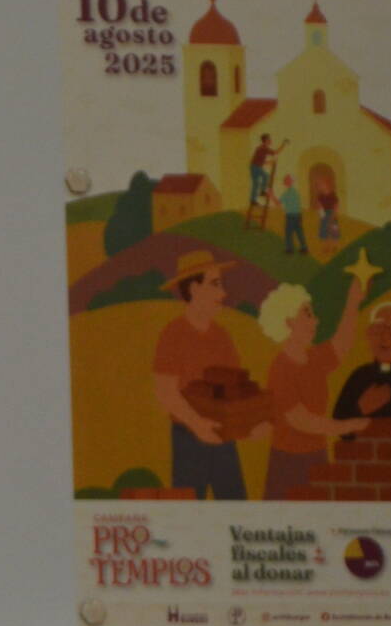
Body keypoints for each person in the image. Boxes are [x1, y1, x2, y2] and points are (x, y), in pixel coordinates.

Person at [151, 251, 261, 499]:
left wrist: (251, 424)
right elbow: (166, 393)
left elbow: (236, 390)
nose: (223, 293)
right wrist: (198, 424)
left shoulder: (222, 335)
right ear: (194, 288)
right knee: (188, 511)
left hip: (225, 436)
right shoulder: (173, 334)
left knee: (235, 509)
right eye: (215, 284)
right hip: (188, 439)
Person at [259, 278, 369, 500]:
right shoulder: (281, 368)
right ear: (289, 322)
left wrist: (353, 302)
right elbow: (300, 419)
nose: (316, 321)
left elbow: (342, 345)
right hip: (288, 464)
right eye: (307, 314)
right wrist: (347, 426)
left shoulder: (314, 358)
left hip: (317, 457)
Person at [332, 302, 391, 422]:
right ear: (368, 333)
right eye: (378, 328)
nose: (385, 336)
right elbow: (337, 423)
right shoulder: (358, 377)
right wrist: (360, 409)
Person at [279, 176, 306, 254]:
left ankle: (289, 249)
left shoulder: (286, 193)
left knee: (288, 233)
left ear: (288, 182)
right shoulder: (296, 192)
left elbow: (278, 203)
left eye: (286, 180)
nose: (284, 182)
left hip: (290, 216)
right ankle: (304, 248)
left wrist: (271, 195)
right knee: (299, 232)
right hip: (298, 215)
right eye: (285, 180)